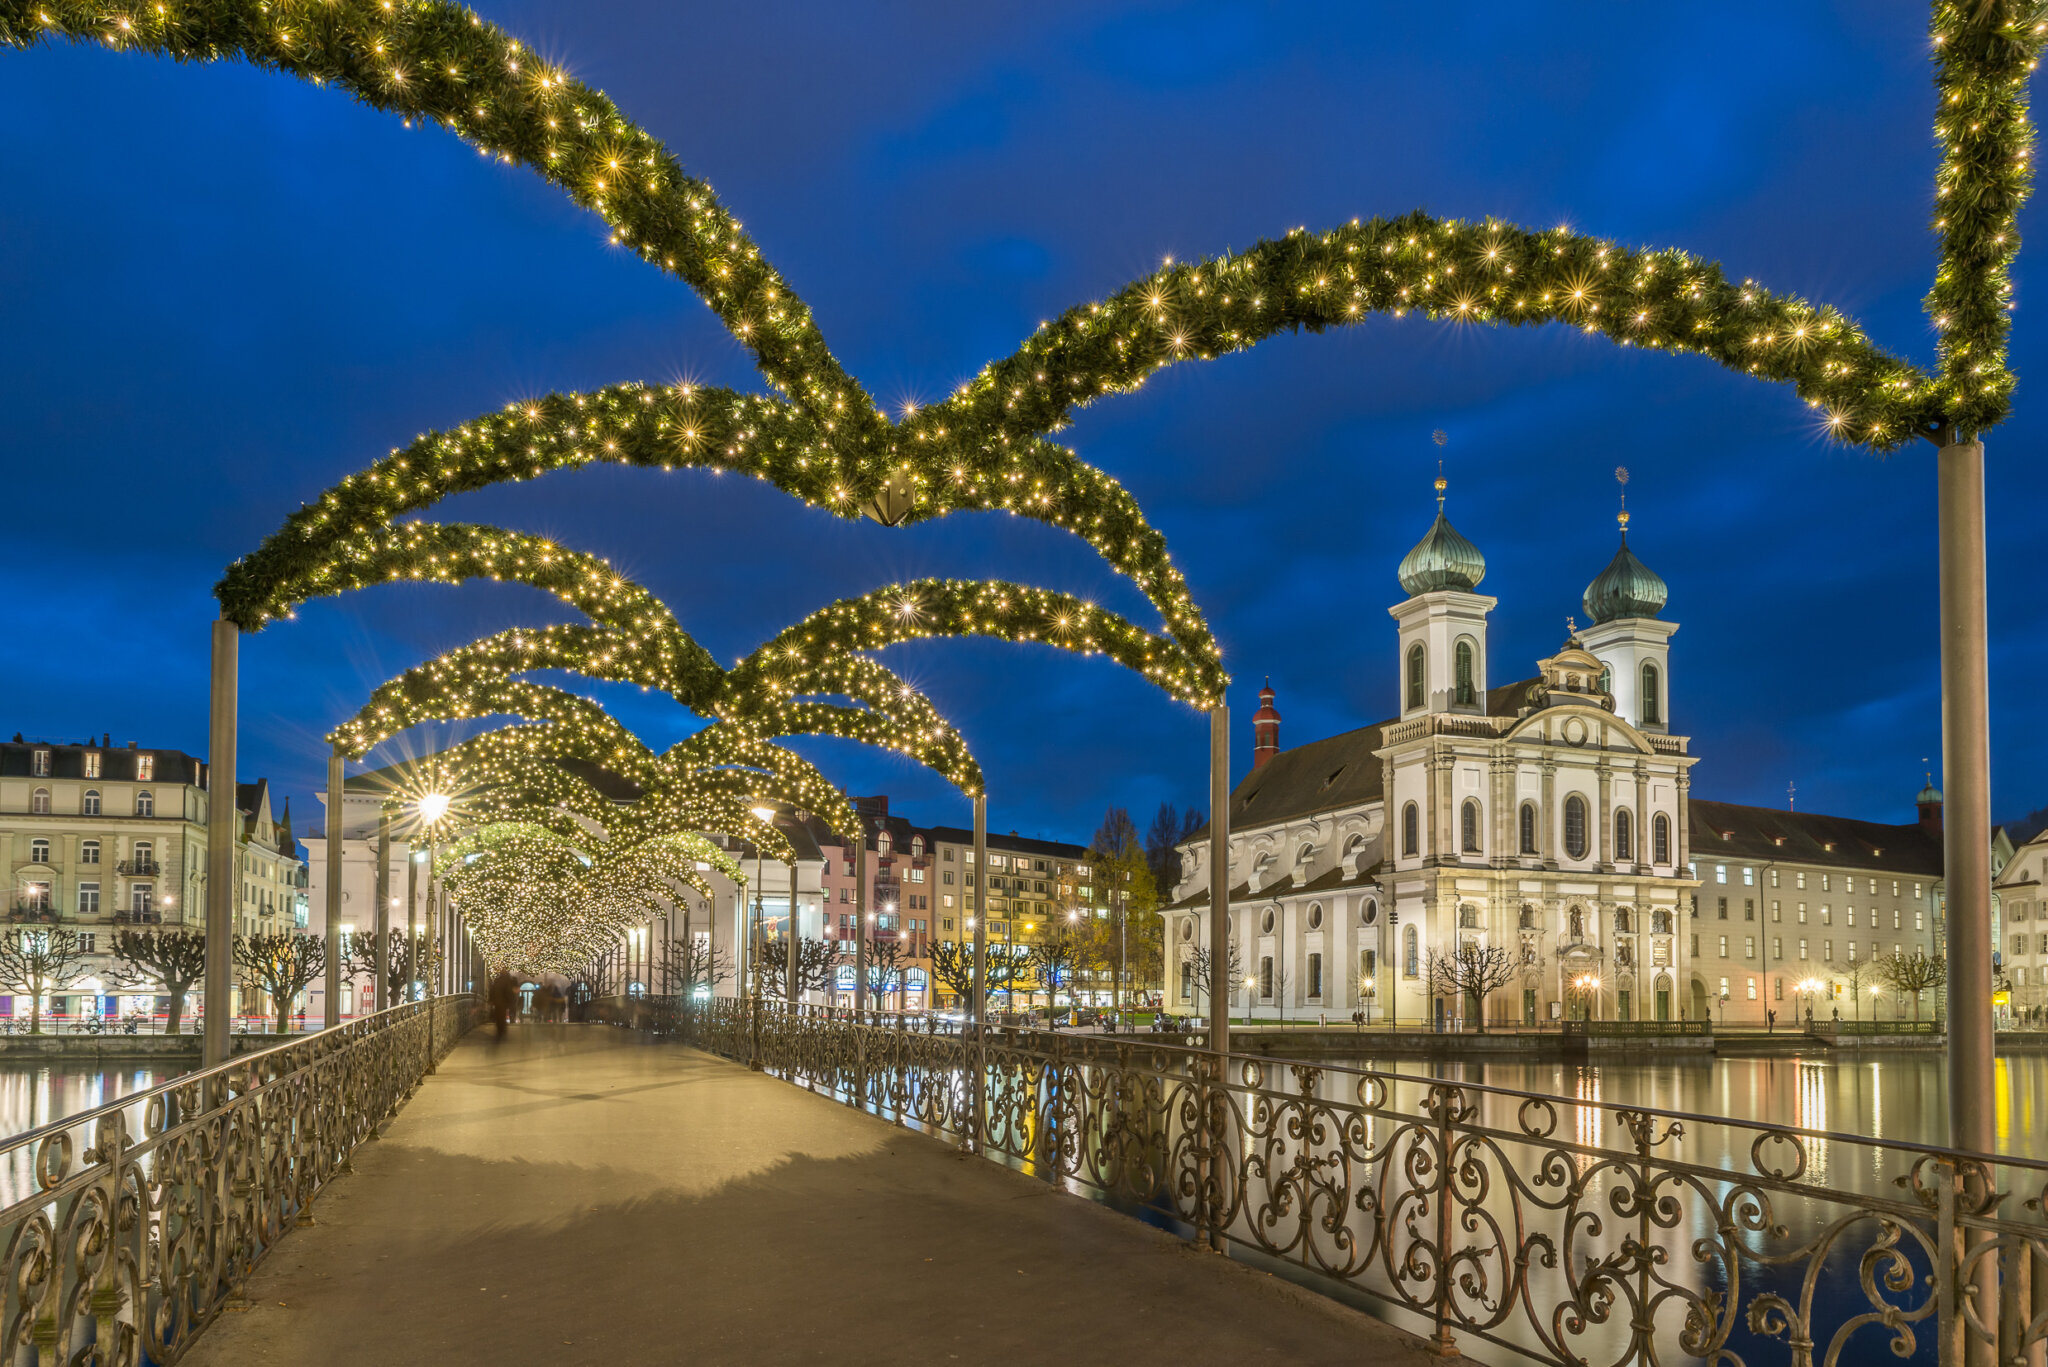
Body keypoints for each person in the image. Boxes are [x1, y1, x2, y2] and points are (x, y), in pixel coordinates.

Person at [487, 967, 519, 1041]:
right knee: (500, 1016)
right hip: (502, 1002)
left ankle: (500, 1030)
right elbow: (509, 992)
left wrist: (491, 999)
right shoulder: (508, 980)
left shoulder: (498, 980)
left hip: (499, 1001)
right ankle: (501, 1030)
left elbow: (493, 990)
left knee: (499, 1016)